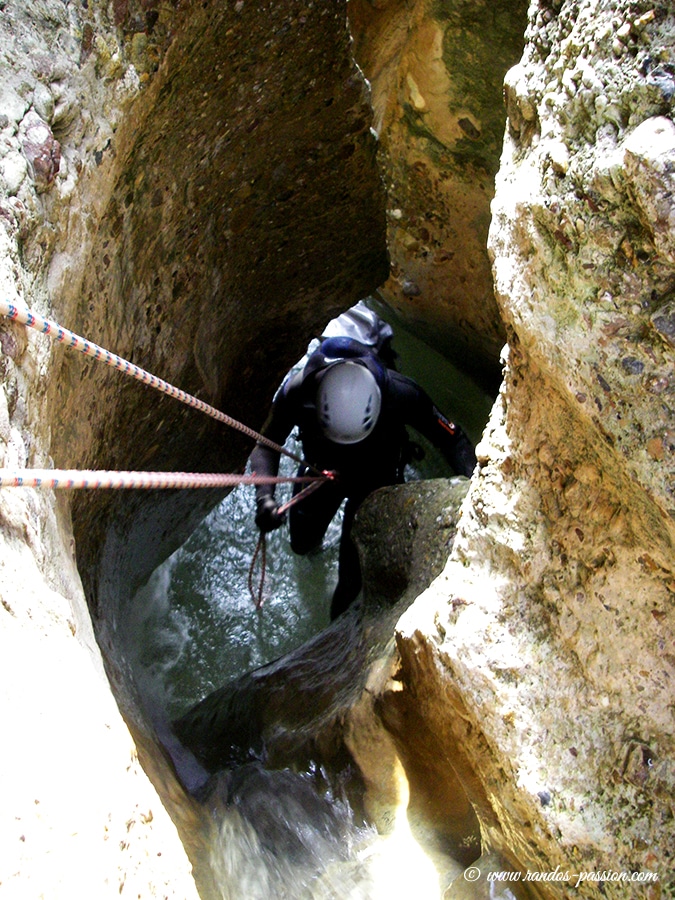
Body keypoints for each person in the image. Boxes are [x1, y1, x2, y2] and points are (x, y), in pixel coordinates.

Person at [249, 304, 476, 620]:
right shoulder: (300, 389)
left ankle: (338, 638)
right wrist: (265, 498)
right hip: (319, 473)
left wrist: (477, 493)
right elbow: (266, 444)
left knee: (352, 584)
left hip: (376, 480)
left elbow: (452, 439)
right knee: (301, 545)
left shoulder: (400, 393)